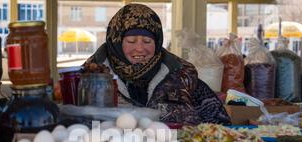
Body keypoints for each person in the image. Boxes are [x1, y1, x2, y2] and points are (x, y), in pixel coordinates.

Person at [87, 3, 231, 125]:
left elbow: (220, 122)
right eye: (131, 41)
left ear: (157, 42)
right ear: (116, 41)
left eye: (147, 41)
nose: (140, 48)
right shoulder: (90, 76)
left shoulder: (181, 74)